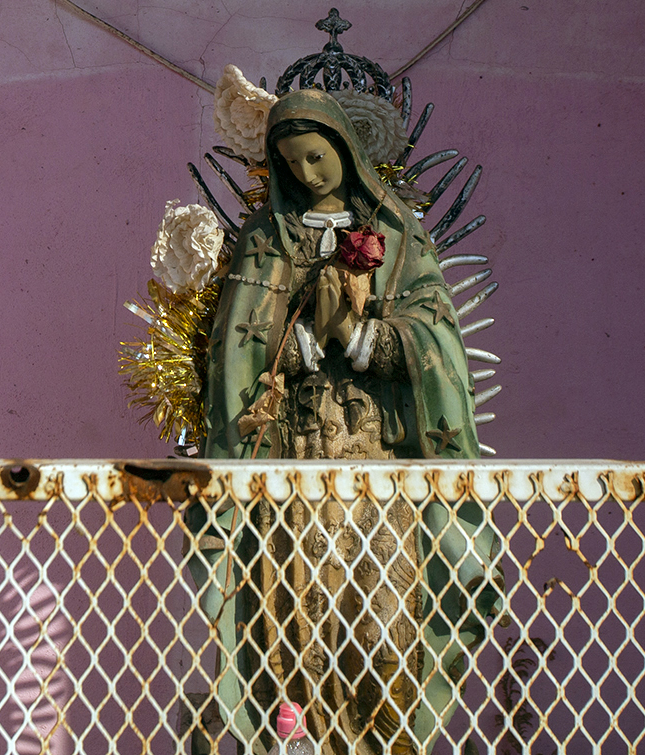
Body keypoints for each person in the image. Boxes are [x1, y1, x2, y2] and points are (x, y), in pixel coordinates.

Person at [187, 90, 495, 755]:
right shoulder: (268, 238)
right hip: (295, 468)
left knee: (384, 626)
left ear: (345, 152)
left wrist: (362, 337)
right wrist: (293, 346)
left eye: (318, 155)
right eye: (292, 161)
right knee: (301, 624)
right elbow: (238, 345)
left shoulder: (397, 230)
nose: (308, 172)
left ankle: (386, 740)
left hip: (379, 467)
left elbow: (436, 332)